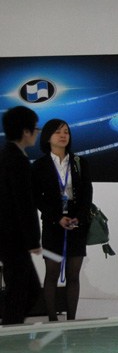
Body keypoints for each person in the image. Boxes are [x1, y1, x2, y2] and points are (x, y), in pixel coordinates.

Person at [32, 119, 93, 322]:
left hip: (77, 225)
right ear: (48, 137)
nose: (63, 135)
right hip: (52, 225)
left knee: (73, 275)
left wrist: (79, 218)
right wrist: (57, 217)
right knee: (52, 273)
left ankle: (71, 321)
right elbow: (36, 197)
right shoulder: (39, 165)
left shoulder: (79, 162)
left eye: (66, 131)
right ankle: (52, 319)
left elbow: (87, 194)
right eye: (58, 132)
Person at [0, 106, 42, 326]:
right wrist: (33, 240)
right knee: (22, 291)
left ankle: (10, 331)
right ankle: (9, 335)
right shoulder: (17, 160)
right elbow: (24, 203)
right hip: (13, 237)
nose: (37, 133)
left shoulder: (5, 155)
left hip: (8, 236)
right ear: (26, 131)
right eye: (35, 128)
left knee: (25, 290)